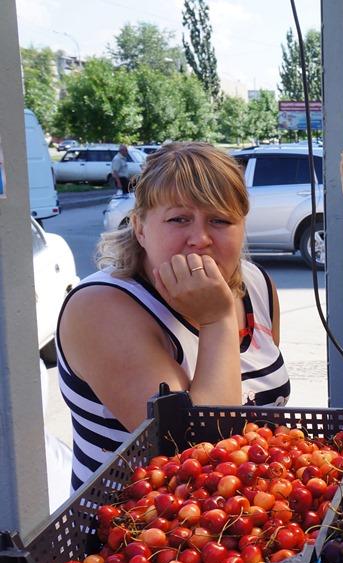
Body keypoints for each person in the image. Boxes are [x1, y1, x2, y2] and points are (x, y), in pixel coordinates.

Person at [56, 142, 290, 490]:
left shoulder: (256, 285)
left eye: (220, 220)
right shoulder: (100, 307)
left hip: (246, 520)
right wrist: (217, 318)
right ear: (140, 228)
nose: (200, 238)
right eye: (179, 219)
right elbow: (201, 458)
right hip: (130, 530)